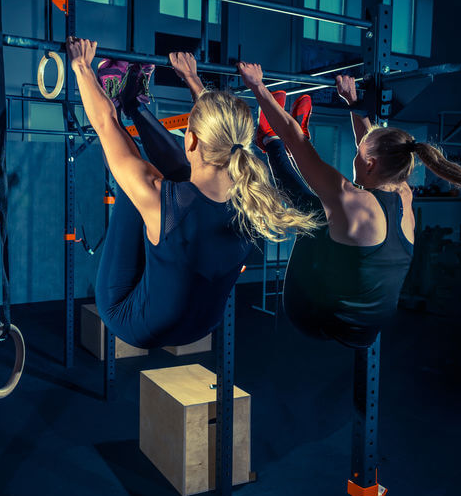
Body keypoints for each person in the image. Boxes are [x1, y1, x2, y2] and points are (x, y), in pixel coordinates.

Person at [238, 63, 461, 347]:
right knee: (321, 206)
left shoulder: (352, 200)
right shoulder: (403, 193)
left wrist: (258, 86)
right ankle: (275, 139)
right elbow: (375, 148)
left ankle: (268, 140)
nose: (357, 154)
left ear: (369, 163)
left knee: (311, 212)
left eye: (358, 153)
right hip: (370, 329)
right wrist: (354, 105)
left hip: (316, 320)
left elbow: (299, 147)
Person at [66, 37, 318, 348]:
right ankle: (132, 101)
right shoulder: (254, 200)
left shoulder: (163, 200)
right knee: (166, 184)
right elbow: (221, 132)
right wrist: (191, 78)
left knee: (138, 184)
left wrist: (81, 67)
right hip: (200, 324)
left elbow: (106, 125)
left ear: (192, 141)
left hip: (129, 317)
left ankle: (126, 100)